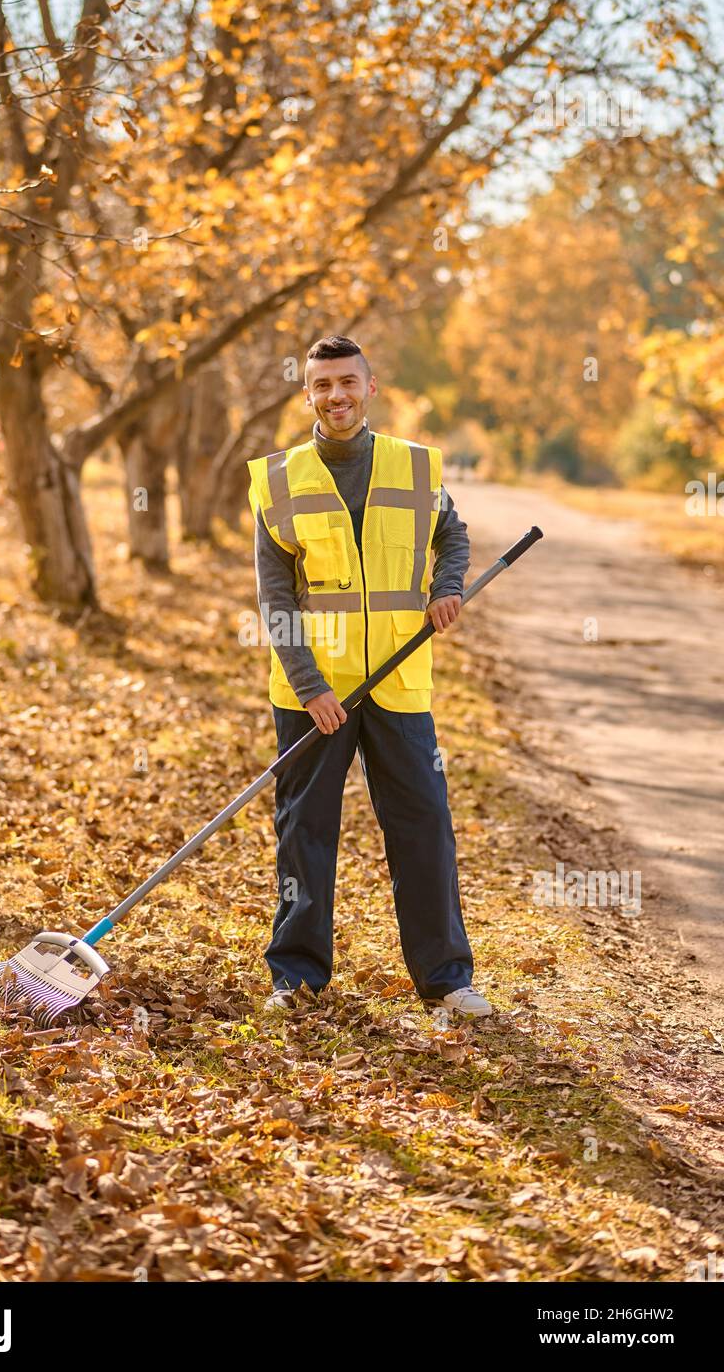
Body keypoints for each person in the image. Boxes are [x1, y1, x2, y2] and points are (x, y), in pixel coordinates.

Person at [246, 335, 492, 1018]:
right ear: (308, 397)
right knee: (305, 831)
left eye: (348, 382)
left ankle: (446, 979)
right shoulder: (279, 479)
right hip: (313, 692)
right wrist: (310, 686)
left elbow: (454, 536)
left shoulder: (413, 469)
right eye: (323, 386)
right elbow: (277, 597)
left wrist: (448, 588)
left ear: (371, 387)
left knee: (423, 825)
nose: (337, 397)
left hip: (397, 678)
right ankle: (295, 977)